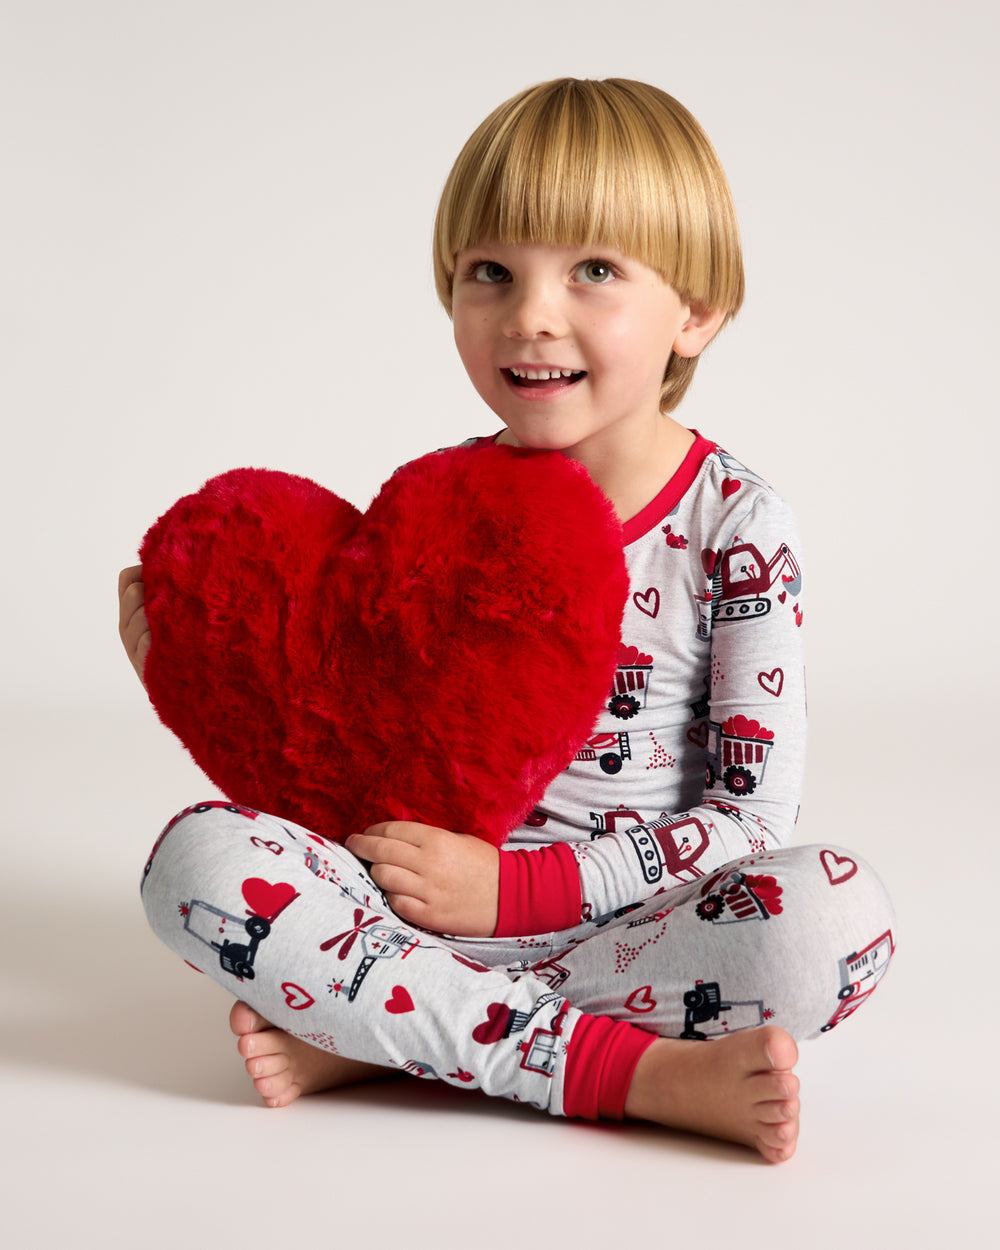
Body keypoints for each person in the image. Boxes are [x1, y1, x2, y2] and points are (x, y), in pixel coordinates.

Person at [119, 78, 894, 1165]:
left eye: (592, 270)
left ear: (697, 310)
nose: (530, 313)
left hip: (640, 924)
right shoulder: (441, 505)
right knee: (193, 861)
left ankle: (391, 1036)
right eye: (492, 271)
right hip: (410, 910)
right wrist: (195, 668)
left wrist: (516, 891)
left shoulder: (740, 523)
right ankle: (630, 1071)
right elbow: (351, 742)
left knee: (836, 918)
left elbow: (750, 818)